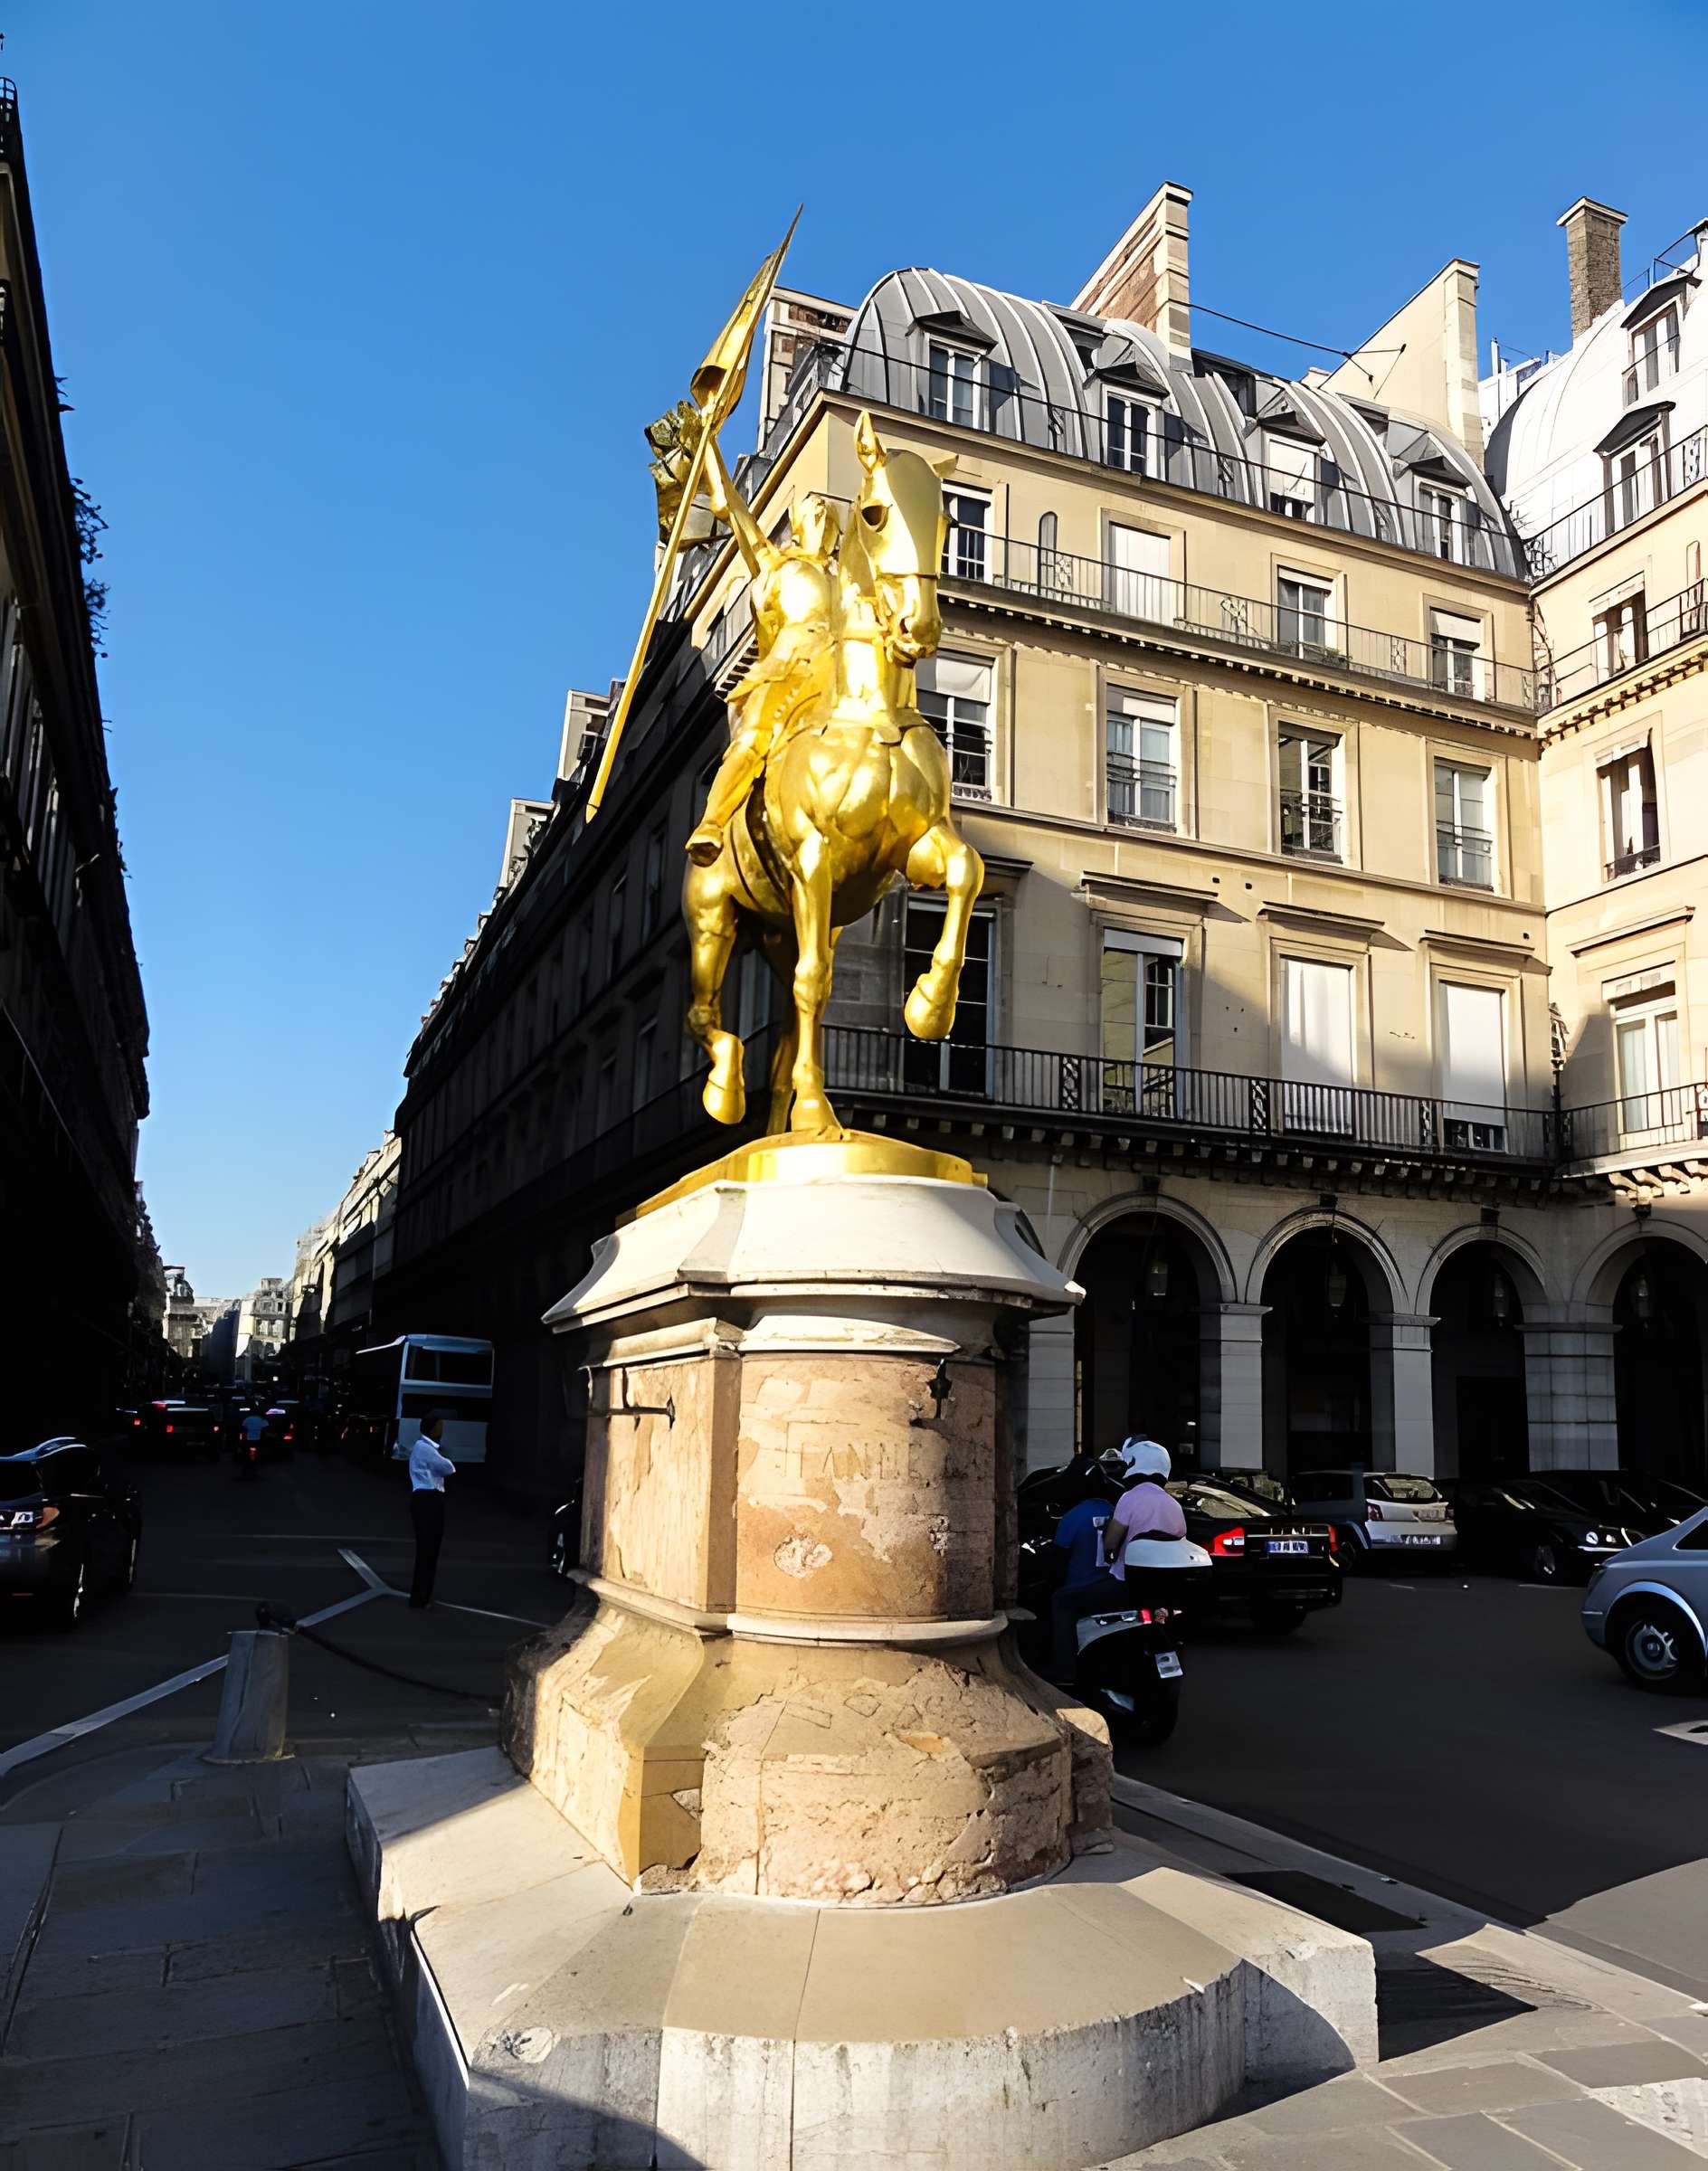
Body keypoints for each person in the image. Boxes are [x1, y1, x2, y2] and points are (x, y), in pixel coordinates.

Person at [407, 1409, 456, 1610]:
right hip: (427, 1499)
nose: (442, 1430)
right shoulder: (425, 1449)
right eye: (440, 1427)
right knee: (428, 1550)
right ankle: (420, 1598)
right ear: (431, 1429)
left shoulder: (425, 1448)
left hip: (427, 1499)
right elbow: (448, 1467)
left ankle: (422, 1596)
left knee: (429, 1550)